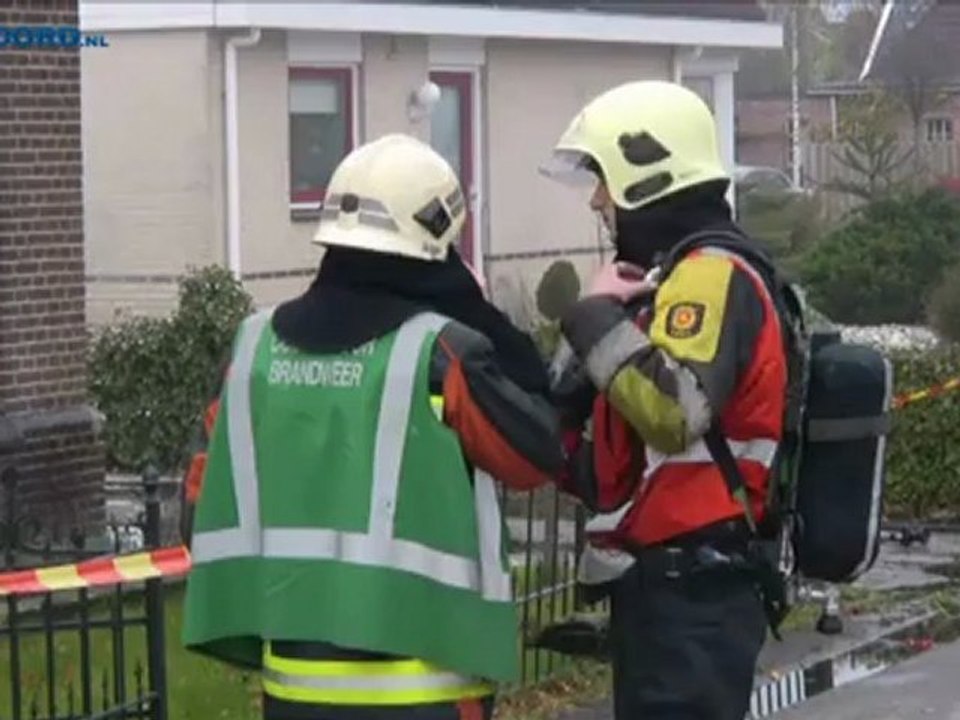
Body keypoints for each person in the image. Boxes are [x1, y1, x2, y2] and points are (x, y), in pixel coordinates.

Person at [182, 133, 563, 720]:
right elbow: (536, 456)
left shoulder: (252, 352)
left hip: (296, 689)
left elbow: (199, 508)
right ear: (438, 244)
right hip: (425, 689)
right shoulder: (441, 352)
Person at [541, 80, 789, 720]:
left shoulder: (708, 274)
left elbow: (674, 411)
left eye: (605, 180)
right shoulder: (680, 274)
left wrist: (594, 318)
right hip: (681, 590)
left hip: (694, 589)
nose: (597, 200)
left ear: (648, 178)